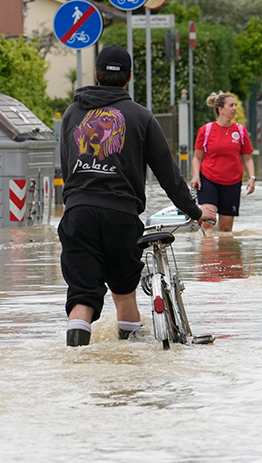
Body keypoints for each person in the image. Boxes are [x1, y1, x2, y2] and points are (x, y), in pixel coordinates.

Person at [58, 45, 216, 347]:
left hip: (78, 214)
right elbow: (168, 173)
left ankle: (75, 362)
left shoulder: (72, 113)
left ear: (96, 74)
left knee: (82, 295)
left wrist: (77, 201)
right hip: (121, 216)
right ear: (129, 77)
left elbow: (67, 166)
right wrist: (195, 212)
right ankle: (129, 354)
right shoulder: (140, 116)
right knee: (124, 290)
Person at [189, 92, 256, 232]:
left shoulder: (240, 131)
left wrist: (252, 177)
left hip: (232, 182)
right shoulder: (206, 130)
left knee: (226, 228)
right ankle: (206, 252)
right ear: (220, 109)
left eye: (236, 105)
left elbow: (247, 158)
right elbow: (197, 158)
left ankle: (223, 254)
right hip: (208, 179)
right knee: (208, 221)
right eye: (231, 105)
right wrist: (196, 176)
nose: (235, 108)